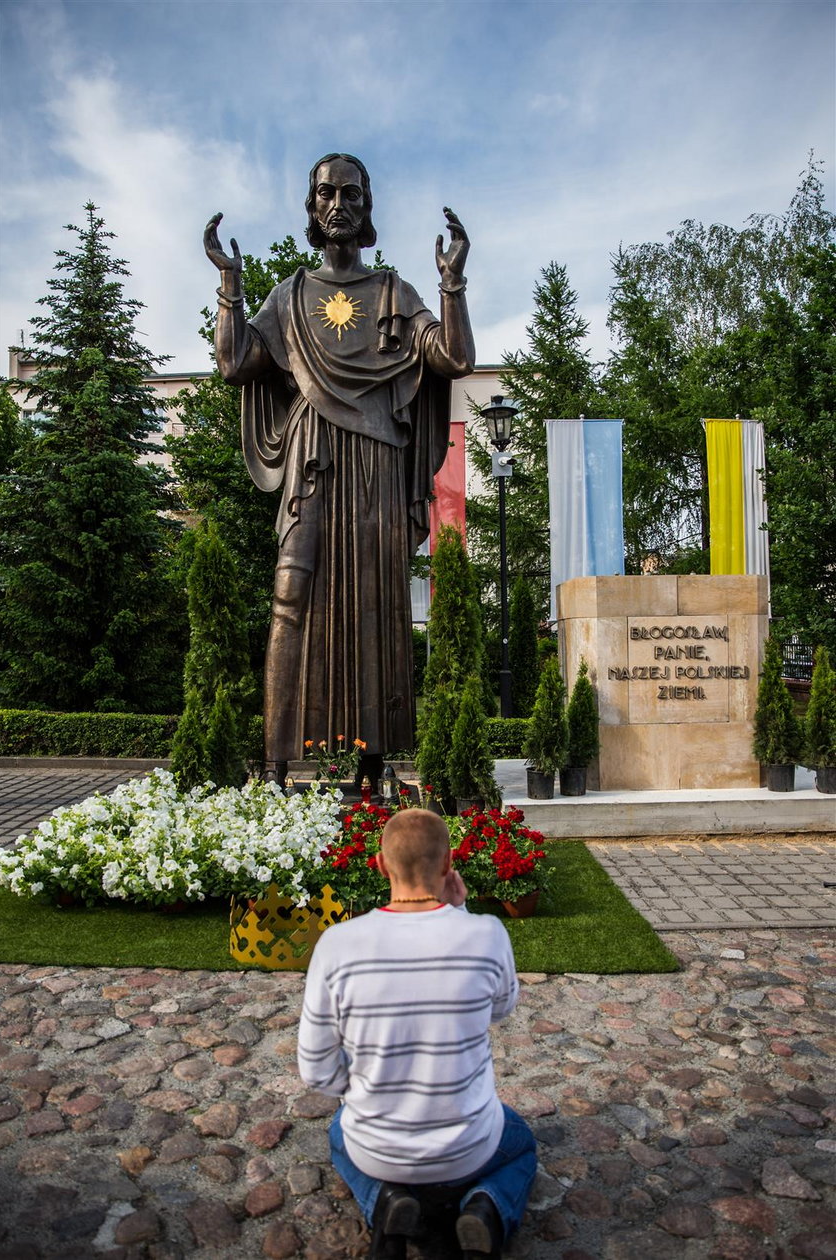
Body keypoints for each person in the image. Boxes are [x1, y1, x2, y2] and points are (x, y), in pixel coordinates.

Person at [204, 154, 475, 787]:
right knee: (290, 594)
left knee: (377, 602)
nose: (338, 203)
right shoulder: (290, 295)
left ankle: (371, 766)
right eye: (325, 193)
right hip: (313, 459)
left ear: (366, 207)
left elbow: (456, 357)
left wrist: (452, 284)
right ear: (311, 207)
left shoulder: (394, 293)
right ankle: (273, 766)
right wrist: (230, 288)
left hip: (377, 462)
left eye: (350, 193)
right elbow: (236, 362)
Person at [297, 808, 537, 1259]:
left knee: (338, 1133)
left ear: (380, 864)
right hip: (468, 1145)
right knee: (520, 1141)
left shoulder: (338, 944)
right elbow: (502, 1008)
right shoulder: (486, 934)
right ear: (449, 864)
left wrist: (362, 1092)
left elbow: (315, 1069)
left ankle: (387, 1200)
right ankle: (486, 1207)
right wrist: (461, 910)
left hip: (377, 1145)